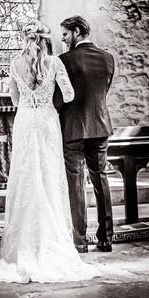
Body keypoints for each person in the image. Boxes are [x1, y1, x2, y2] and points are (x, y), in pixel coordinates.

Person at [0, 21, 99, 283]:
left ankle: (21, 244)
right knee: (48, 176)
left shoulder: (14, 64)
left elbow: (13, 99)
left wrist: (30, 99)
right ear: (46, 40)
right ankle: (51, 239)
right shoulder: (55, 63)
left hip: (26, 120)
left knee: (26, 176)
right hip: (47, 120)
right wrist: (50, 100)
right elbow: (68, 95)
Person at [57, 15, 115, 252]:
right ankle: (106, 238)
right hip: (100, 127)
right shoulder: (108, 58)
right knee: (101, 178)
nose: (63, 39)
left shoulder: (65, 60)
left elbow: (61, 97)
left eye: (65, 34)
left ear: (77, 32)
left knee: (76, 183)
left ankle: (79, 241)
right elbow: (103, 92)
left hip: (73, 129)